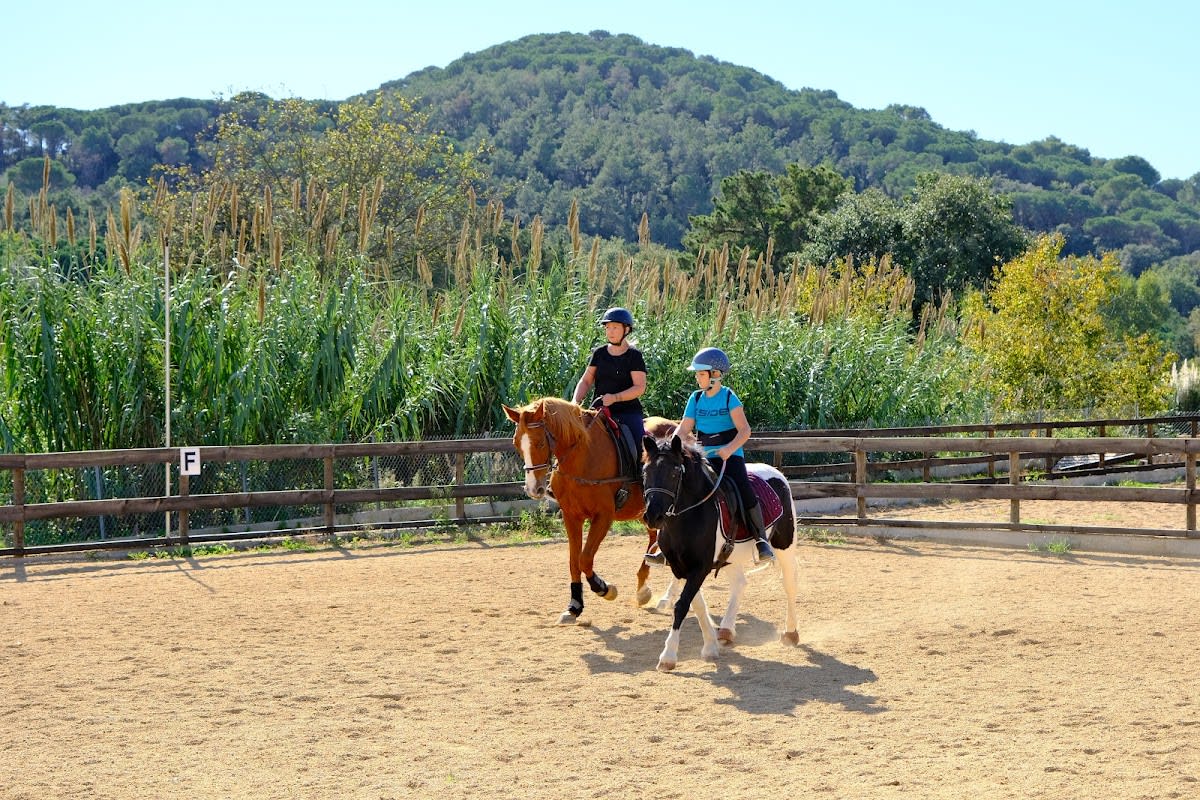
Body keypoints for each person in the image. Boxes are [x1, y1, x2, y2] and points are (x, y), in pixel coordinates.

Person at [673, 346, 774, 565]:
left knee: (743, 488)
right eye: (697, 374)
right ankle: (668, 542)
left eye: (701, 374)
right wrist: (671, 446)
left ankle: (761, 540)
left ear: (715, 375)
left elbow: (745, 430)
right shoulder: (695, 398)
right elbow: (684, 428)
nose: (697, 378)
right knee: (681, 486)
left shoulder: (729, 397)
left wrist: (729, 448)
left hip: (730, 456)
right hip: (703, 456)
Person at [572, 307, 647, 440]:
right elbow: (586, 381)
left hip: (628, 412)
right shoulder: (599, 353)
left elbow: (639, 387)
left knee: (640, 445)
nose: (610, 332)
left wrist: (615, 398)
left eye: (615, 327)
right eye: (608, 327)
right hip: (598, 411)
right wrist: (574, 402)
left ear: (627, 329)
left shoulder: (634, 356)